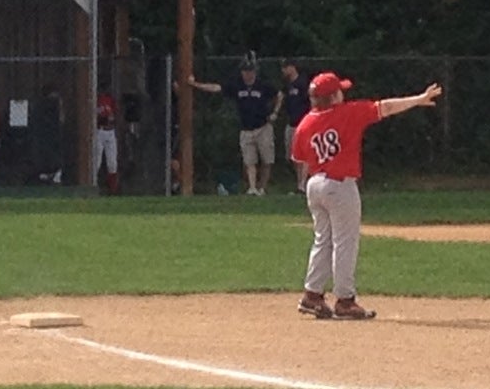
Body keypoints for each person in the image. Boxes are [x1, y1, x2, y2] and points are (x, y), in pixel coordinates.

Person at [289, 70, 442, 321]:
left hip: (314, 185)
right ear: (333, 96)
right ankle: (345, 301)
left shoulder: (305, 123)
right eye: (339, 90)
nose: (343, 93)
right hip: (340, 186)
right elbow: (386, 107)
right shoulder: (348, 112)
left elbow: (299, 158)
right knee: (344, 242)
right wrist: (417, 99)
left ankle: (312, 295)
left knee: (322, 240)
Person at [188, 54, 283, 195]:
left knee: (267, 160)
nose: (247, 74)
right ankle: (252, 188)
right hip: (245, 128)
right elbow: (216, 88)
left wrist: (275, 112)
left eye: (250, 71)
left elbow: (279, 94)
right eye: (245, 71)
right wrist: (196, 85)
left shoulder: (263, 85)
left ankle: (262, 188)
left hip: (263, 126)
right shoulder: (236, 85)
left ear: (255, 72)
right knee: (249, 160)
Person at [278, 61, 312, 191]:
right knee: (294, 156)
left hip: (303, 123)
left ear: (292, 67)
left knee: (304, 154)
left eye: (285, 68)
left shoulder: (303, 83)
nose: (283, 71)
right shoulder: (287, 85)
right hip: (291, 123)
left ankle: (302, 184)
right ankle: (299, 181)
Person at [95, 88, 120, 194]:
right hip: (99, 131)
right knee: (97, 162)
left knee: (112, 162)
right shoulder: (94, 100)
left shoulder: (110, 99)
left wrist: (111, 119)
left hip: (110, 132)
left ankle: (113, 189)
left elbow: (115, 115)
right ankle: (93, 185)